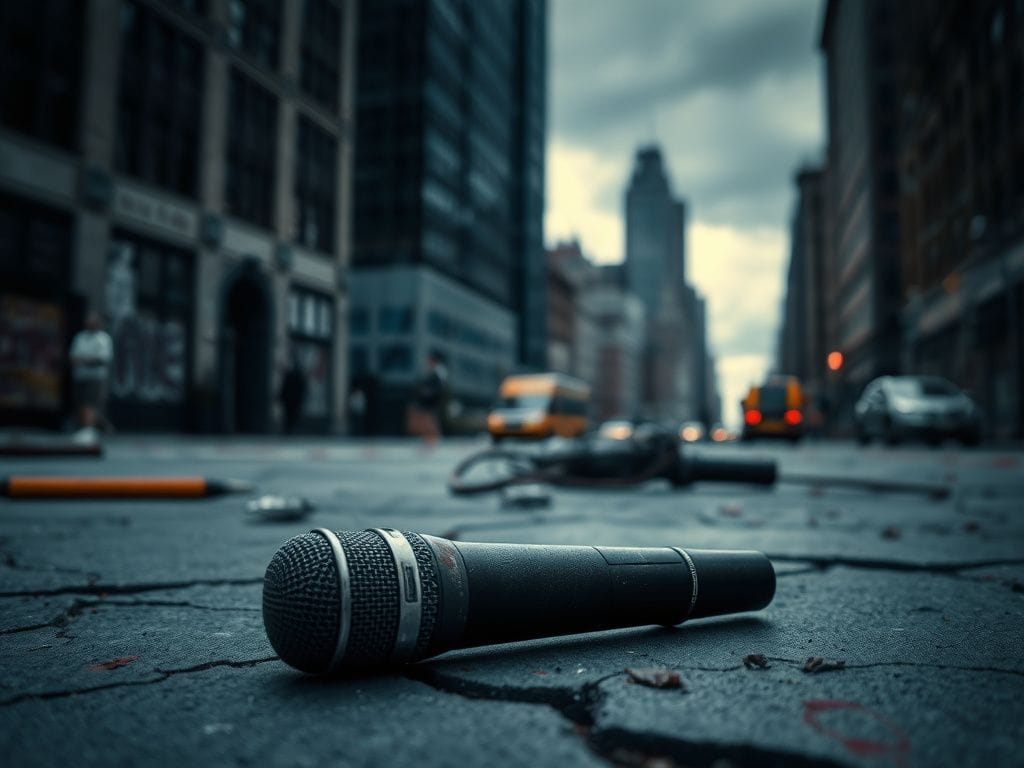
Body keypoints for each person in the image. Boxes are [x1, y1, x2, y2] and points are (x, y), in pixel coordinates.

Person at [69, 311, 114, 439]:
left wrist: (84, 360)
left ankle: (89, 430)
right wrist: (87, 360)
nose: (90, 322)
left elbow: (103, 359)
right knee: (81, 403)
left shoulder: (103, 338)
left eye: (93, 320)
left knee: (90, 403)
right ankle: (94, 427)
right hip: (80, 376)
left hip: (96, 377)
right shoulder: (80, 337)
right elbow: (73, 357)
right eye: (88, 320)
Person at [408, 353, 445, 446]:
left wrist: (428, 392)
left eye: (429, 361)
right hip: (425, 403)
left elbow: (438, 390)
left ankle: (433, 441)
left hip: (430, 404)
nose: (427, 363)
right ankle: (428, 441)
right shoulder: (428, 373)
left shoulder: (437, 375)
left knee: (430, 423)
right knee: (423, 423)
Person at [280, 357, 307, 434]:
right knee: (292, 414)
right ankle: (291, 428)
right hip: (294, 399)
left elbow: (284, 387)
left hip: (290, 399)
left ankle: (289, 428)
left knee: (289, 414)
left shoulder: (290, 375)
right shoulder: (298, 376)